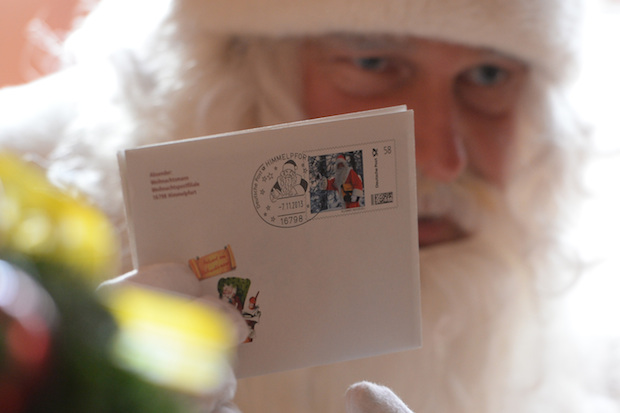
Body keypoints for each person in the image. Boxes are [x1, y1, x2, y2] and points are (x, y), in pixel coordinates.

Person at [0, 0, 619, 412]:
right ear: (236, 74)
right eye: (372, 63)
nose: (440, 158)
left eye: (488, 76)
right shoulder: (22, 242)